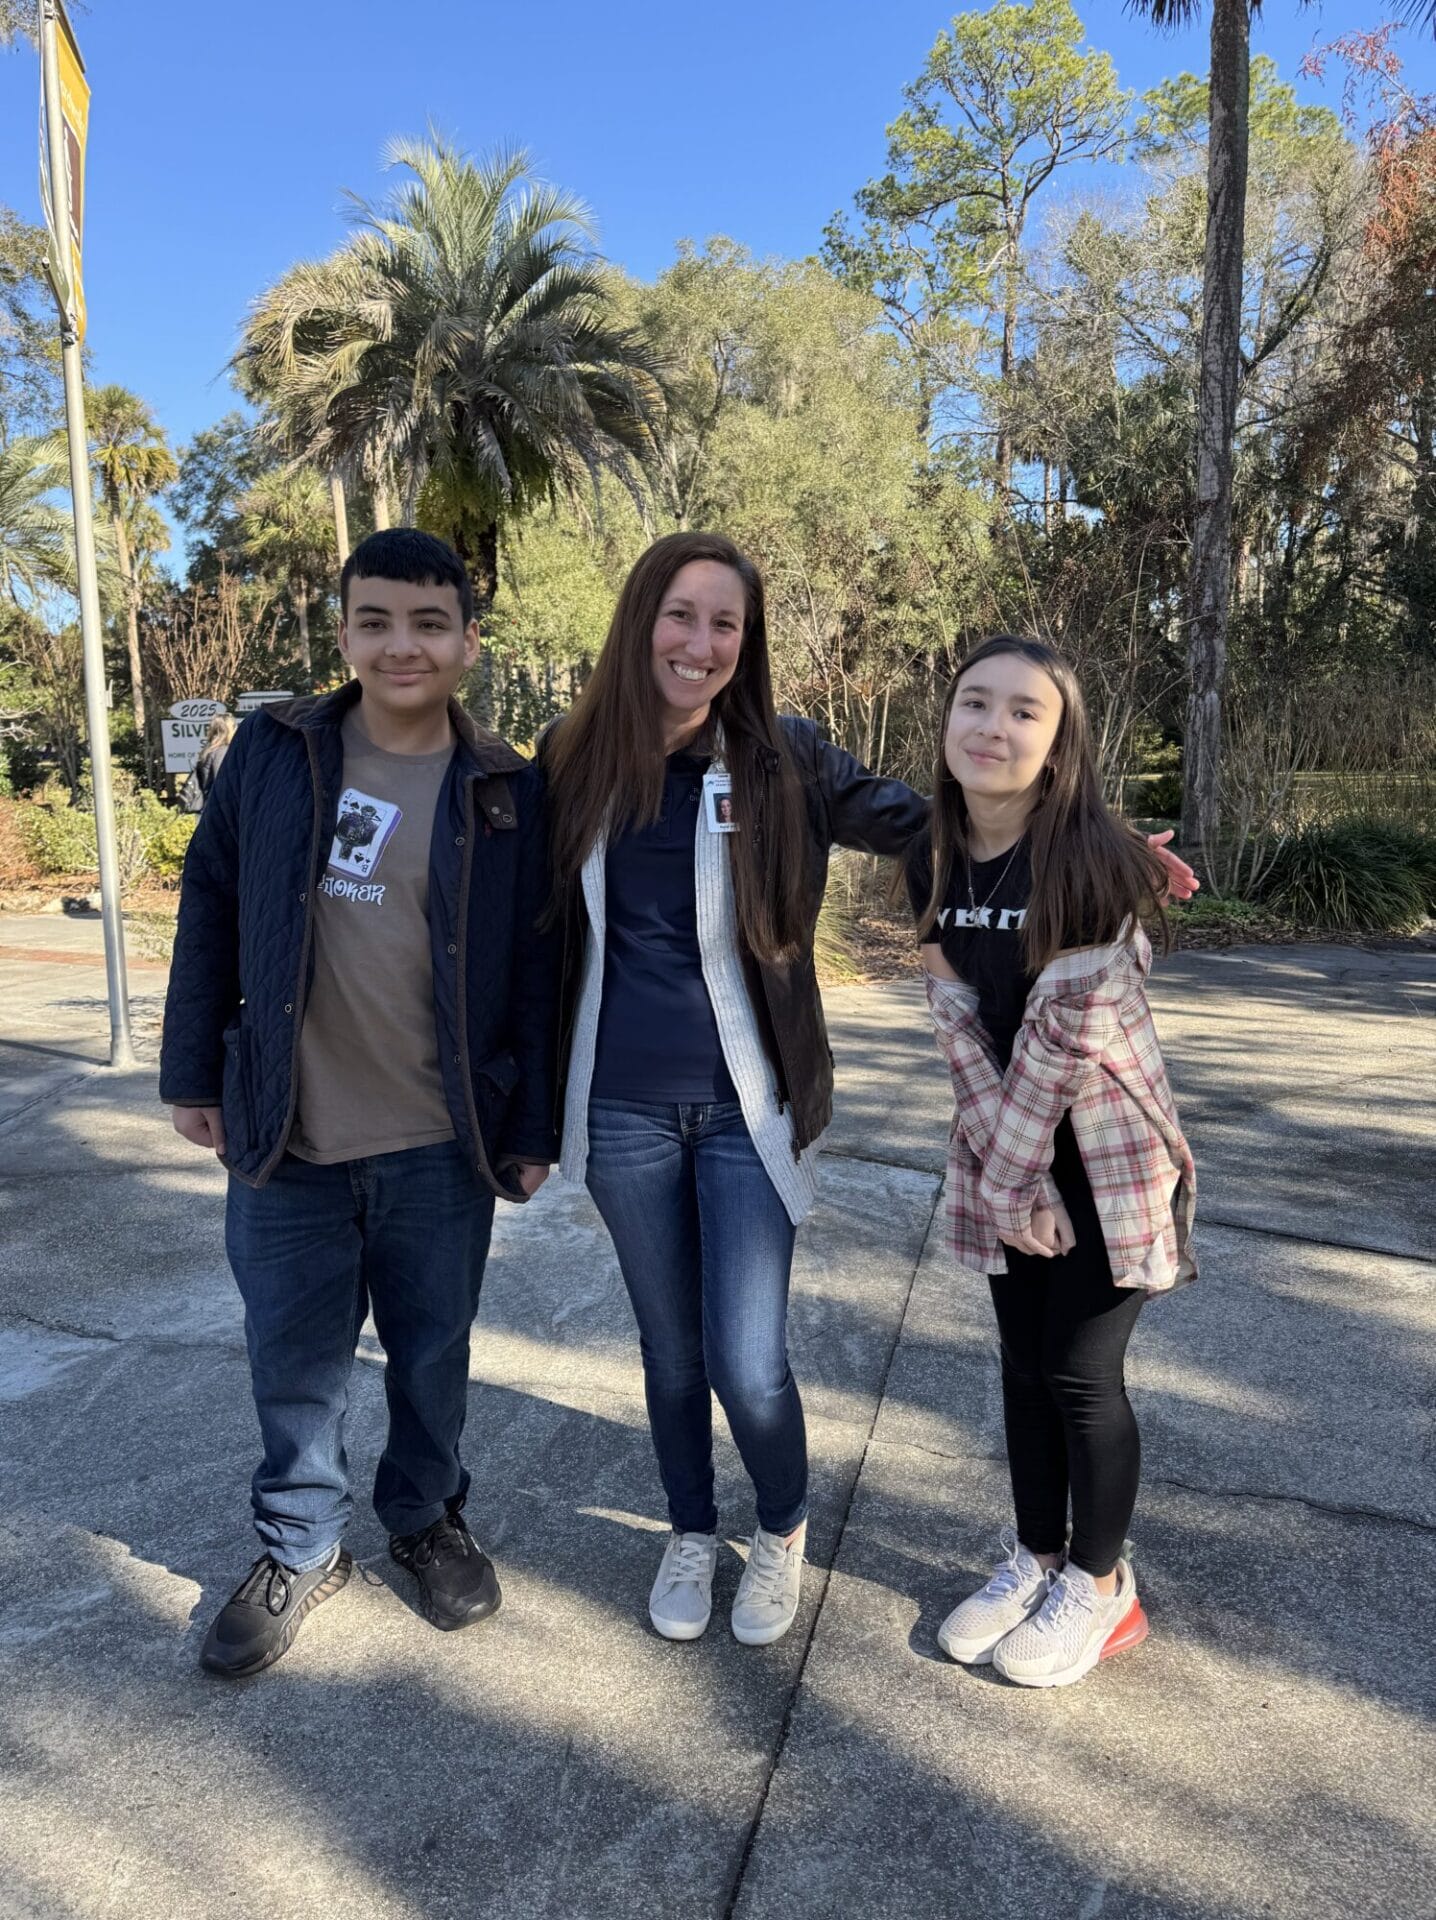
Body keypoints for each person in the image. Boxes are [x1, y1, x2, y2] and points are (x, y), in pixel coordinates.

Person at [542, 535, 1198, 1650]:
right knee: (669, 1354)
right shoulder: (572, 755)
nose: (700, 643)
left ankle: (782, 1530)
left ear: (746, 643)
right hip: (618, 1112)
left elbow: (931, 819)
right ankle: (690, 1529)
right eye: (680, 615)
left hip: (751, 1107)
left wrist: (1088, 836)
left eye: (725, 624)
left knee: (748, 1364)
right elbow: (524, 927)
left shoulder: (781, 755)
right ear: (638, 618)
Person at [159, 528, 558, 1678]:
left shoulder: (506, 788)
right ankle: (299, 1544)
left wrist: (530, 1127)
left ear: (468, 642)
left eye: (429, 623)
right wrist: (192, 1072)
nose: (401, 645)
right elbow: (210, 895)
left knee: (432, 1354)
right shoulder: (274, 752)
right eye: (375, 621)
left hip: (443, 1141)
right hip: (286, 1132)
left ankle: (423, 1519)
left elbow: (539, 964)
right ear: (343, 633)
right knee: (293, 1361)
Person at [906, 635, 1196, 1689]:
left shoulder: (1088, 861)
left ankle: (1100, 1585)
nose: (992, 726)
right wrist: (1008, 1183)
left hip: (1105, 1154)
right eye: (973, 702)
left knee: (1079, 1374)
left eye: (1024, 711)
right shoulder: (930, 855)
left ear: (1060, 743)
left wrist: (1017, 1186)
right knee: (1021, 1368)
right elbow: (958, 1027)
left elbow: (1060, 1045)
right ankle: (1034, 1557)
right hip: (1005, 1141)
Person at [181, 714, 236, 814]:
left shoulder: (209, 750)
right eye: (234, 727)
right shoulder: (221, 752)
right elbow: (222, 784)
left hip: (208, 808)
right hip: (218, 811)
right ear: (227, 730)